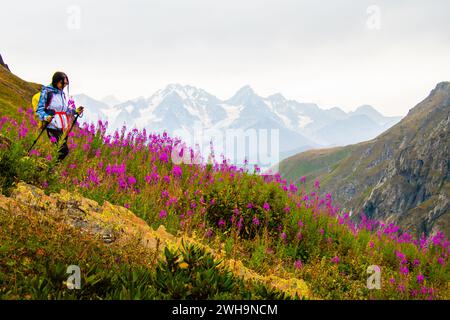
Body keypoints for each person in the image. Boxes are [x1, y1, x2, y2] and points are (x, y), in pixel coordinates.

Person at [35, 71, 84, 161]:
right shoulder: (47, 92)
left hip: (63, 127)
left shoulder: (62, 94)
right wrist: (46, 117)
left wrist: (75, 111)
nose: (65, 85)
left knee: (59, 150)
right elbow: (39, 110)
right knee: (63, 150)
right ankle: (49, 167)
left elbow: (64, 110)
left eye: (66, 83)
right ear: (56, 81)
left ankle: (49, 167)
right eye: (63, 83)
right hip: (52, 125)